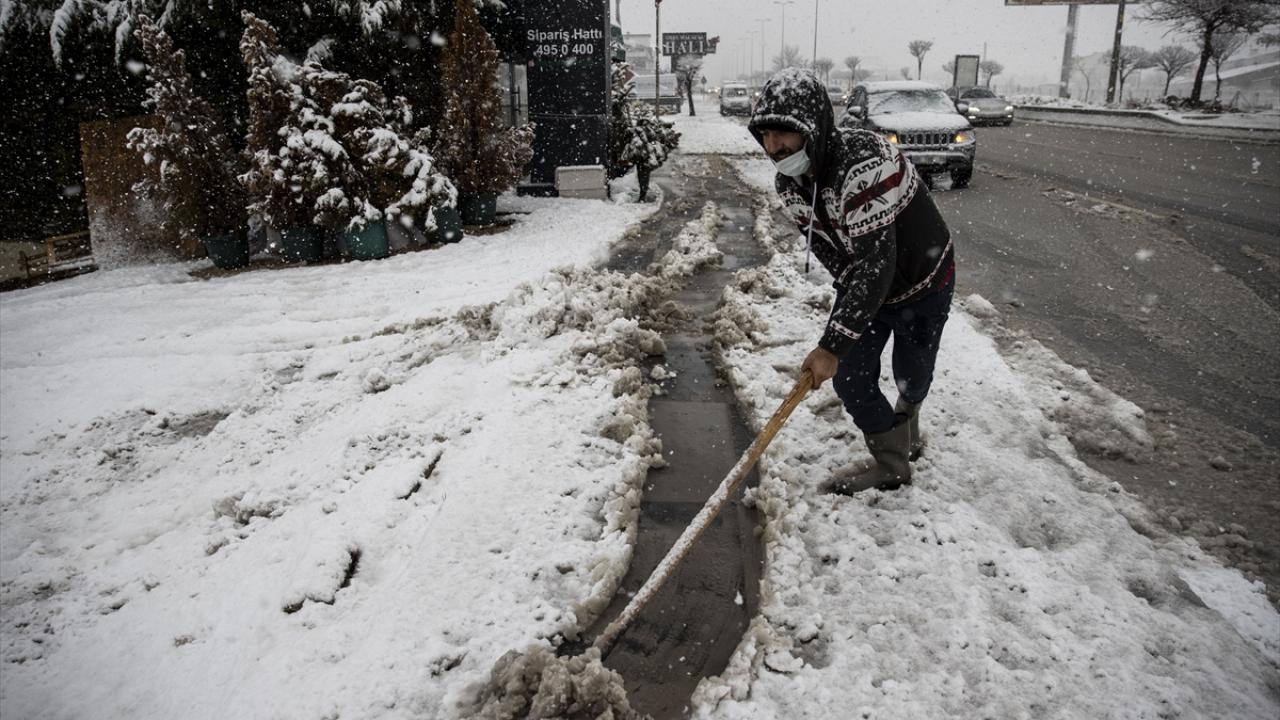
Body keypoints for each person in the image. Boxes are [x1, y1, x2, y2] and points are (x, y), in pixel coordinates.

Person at [747, 68, 956, 494]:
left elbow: (877, 262)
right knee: (850, 374)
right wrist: (844, 327)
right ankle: (893, 463)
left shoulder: (865, 162)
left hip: (925, 281)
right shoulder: (789, 185)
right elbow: (828, 249)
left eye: (783, 135)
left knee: (911, 374)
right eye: (765, 136)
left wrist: (830, 345)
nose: (773, 148)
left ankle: (909, 420)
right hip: (869, 284)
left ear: (813, 127)